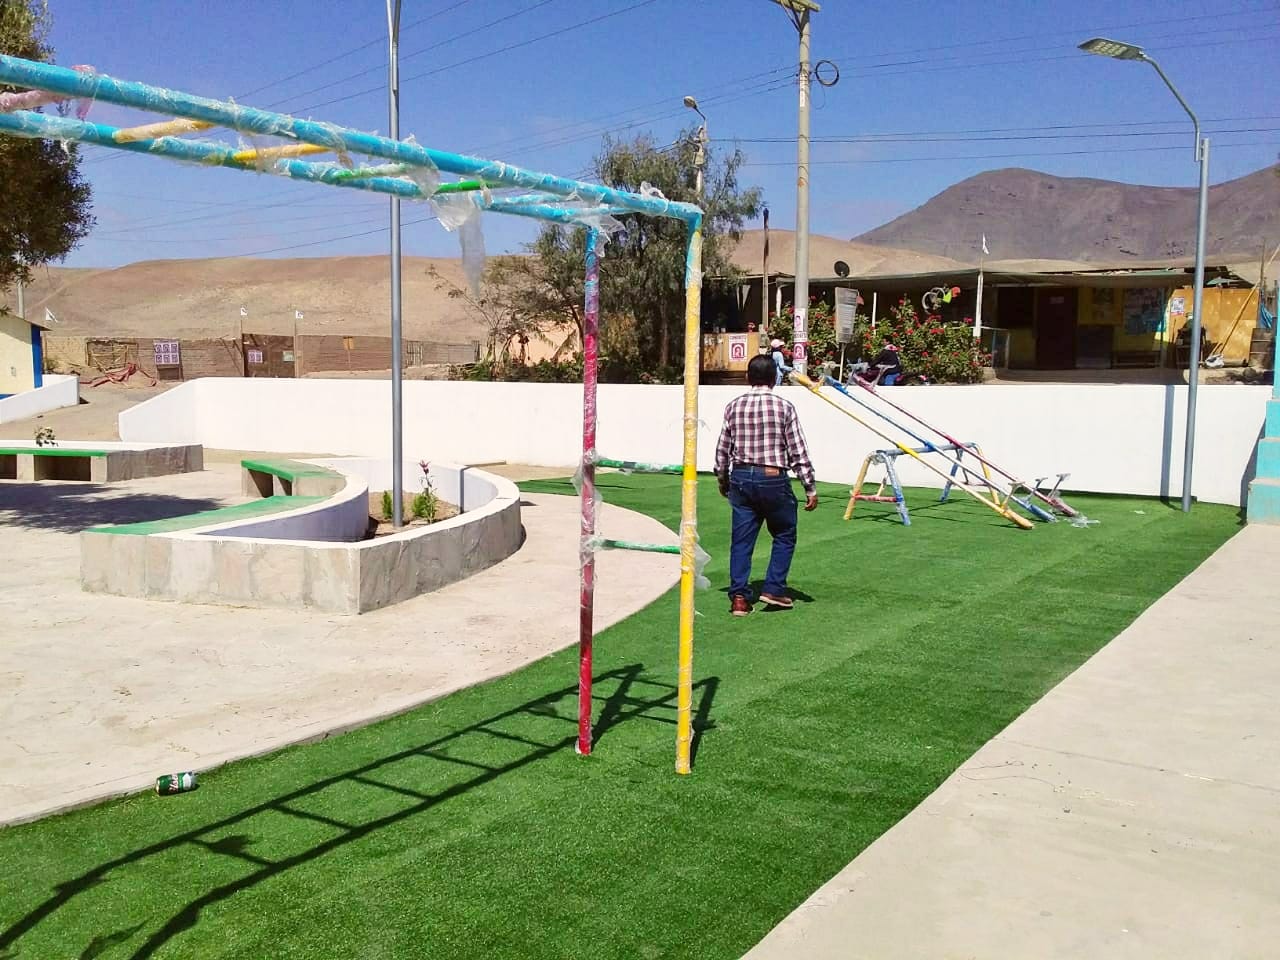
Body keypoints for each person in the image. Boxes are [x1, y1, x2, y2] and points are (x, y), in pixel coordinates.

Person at [714, 353, 818, 617]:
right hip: (773, 477)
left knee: (741, 540)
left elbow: (723, 448)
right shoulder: (784, 407)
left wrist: (722, 479)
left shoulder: (733, 406)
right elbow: (797, 450)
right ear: (775, 378)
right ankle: (773, 588)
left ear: (748, 378)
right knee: (784, 533)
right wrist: (809, 486)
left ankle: (739, 597)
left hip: (740, 476)